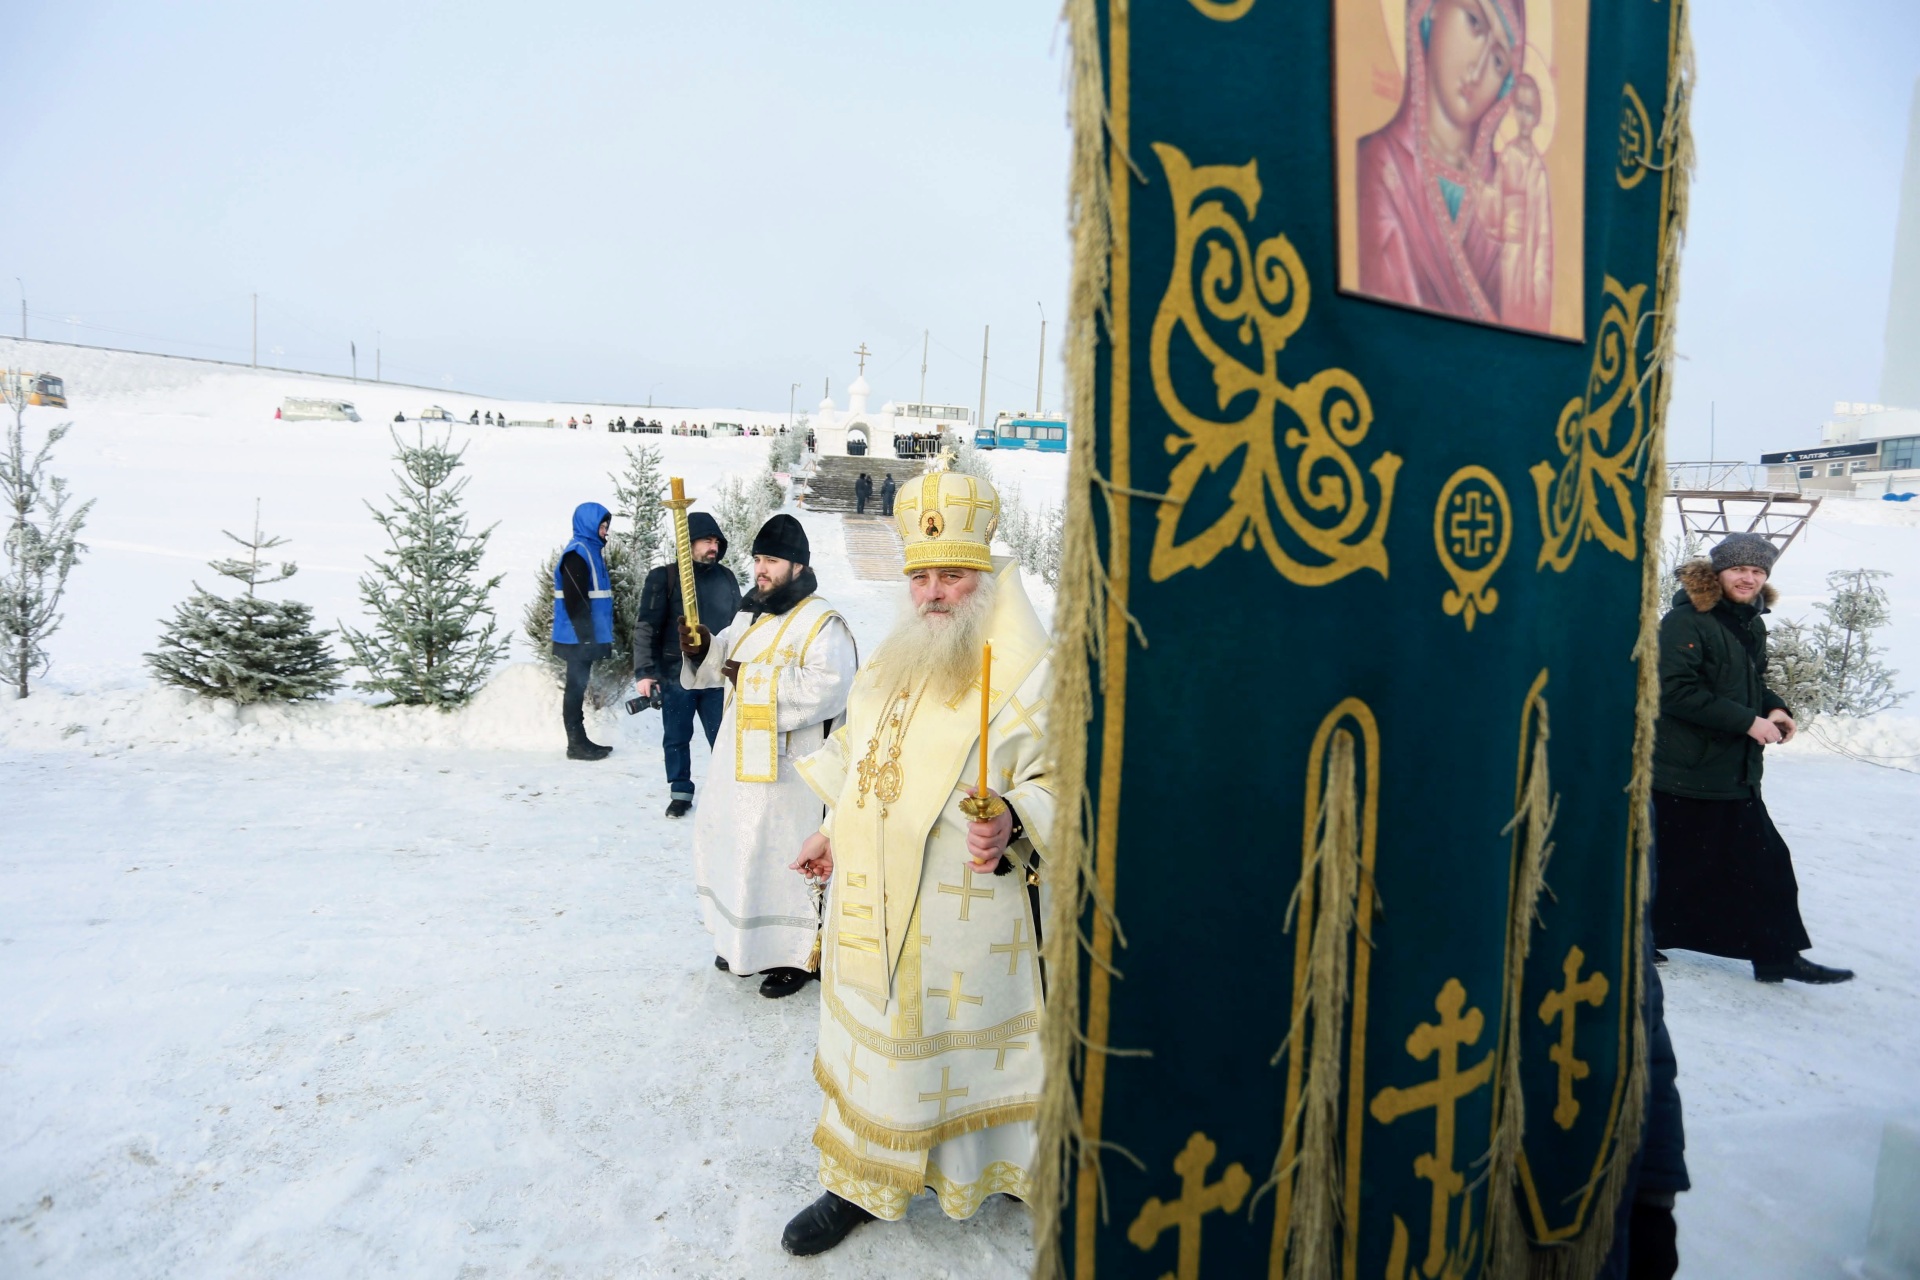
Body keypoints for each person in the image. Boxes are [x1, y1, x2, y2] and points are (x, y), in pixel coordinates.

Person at [781, 464, 1055, 1255]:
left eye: (952, 577)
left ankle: (1009, 1173)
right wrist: (830, 828)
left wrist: (1014, 817)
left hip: (962, 918)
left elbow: (1072, 778)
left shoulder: (1033, 673)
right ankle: (857, 1183)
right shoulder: (897, 654)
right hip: (869, 901)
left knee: (961, 1052)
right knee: (876, 1053)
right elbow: (862, 749)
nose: (934, 593)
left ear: (984, 577)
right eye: (922, 577)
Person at [1650, 534, 1854, 984]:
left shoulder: (1750, 623)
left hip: (1730, 770)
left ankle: (1775, 955)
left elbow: (1749, 684)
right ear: (1718, 572)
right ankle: (1642, 936)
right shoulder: (1685, 622)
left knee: (1759, 863)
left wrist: (1774, 708)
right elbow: (1673, 691)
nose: (1749, 578)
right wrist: (1747, 721)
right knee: (1673, 862)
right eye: (1739, 569)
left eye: (1758, 571)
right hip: (1682, 770)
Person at [679, 514, 856, 997]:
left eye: (772, 560)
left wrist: (751, 678)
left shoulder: (823, 624)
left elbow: (830, 688)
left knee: (780, 856)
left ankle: (795, 957)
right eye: (758, 559)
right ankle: (742, 943)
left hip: (791, 774)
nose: (761, 569)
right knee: (737, 848)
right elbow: (724, 663)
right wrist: (702, 649)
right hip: (738, 762)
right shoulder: (749, 614)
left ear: (798, 566)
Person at [1355, 0, 1523, 326]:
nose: (1478, 70)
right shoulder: (1378, 168)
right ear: (1432, 7)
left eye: (1498, 60)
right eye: (1474, 22)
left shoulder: (1502, 209)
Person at [634, 512, 741, 817]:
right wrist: (645, 672)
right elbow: (646, 626)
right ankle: (680, 792)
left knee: (723, 738)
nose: (713, 547)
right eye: (706, 541)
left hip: (716, 674)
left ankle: (728, 792)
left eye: (716, 542)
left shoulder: (726, 578)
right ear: (688, 543)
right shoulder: (664, 577)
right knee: (677, 737)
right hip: (675, 674)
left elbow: (740, 626)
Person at [551, 503, 617, 761]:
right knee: (575, 689)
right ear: (589, 525)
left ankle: (580, 740)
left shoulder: (590, 551)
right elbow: (575, 600)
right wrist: (587, 637)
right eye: (602, 526)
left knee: (578, 687)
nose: (605, 531)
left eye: (606, 526)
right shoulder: (577, 554)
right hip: (576, 637)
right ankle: (576, 744)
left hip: (582, 636)